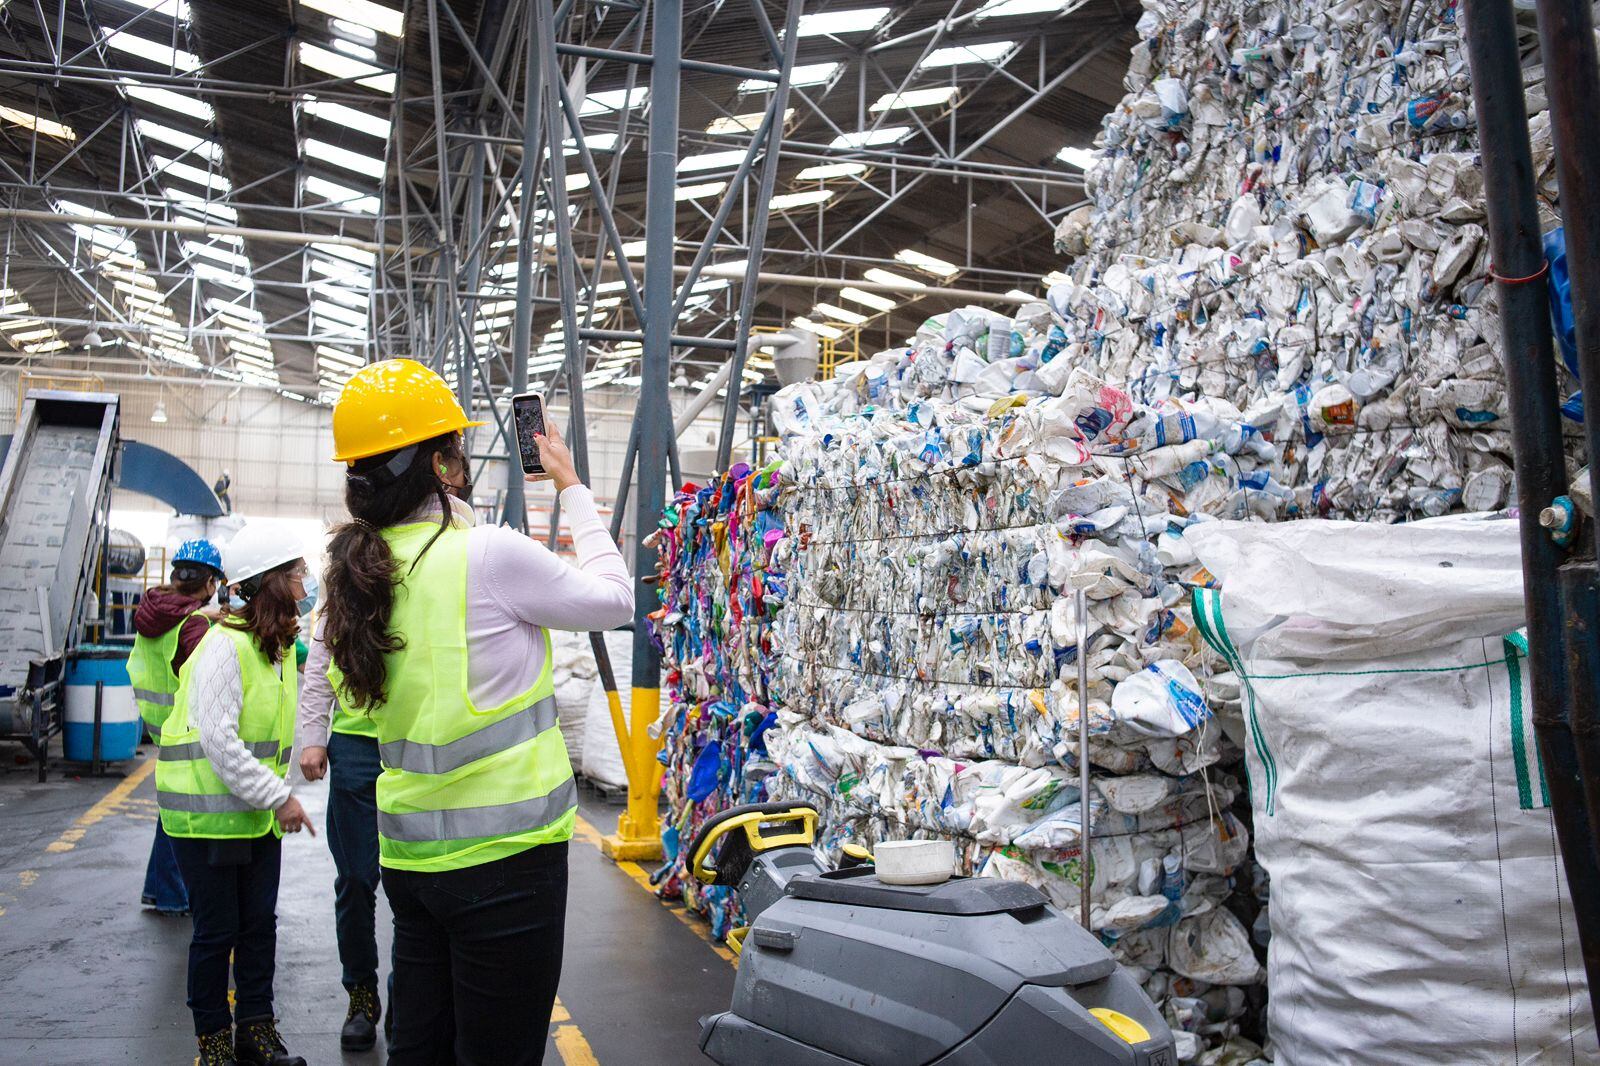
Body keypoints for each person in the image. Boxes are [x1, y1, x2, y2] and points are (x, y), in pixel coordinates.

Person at [318, 358, 632, 1066]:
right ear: (441, 465)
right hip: (507, 864)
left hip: (410, 861)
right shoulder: (485, 556)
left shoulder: (353, 574)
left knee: (421, 1048)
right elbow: (614, 598)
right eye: (454, 447)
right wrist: (571, 485)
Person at [156, 522, 317, 1066]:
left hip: (250, 816)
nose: (305, 584)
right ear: (269, 582)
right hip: (205, 817)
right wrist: (281, 797)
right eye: (296, 575)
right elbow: (220, 743)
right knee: (216, 932)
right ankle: (214, 1041)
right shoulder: (225, 646)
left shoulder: (274, 648)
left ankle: (256, 1030)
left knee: (257, 929)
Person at [130, 538, 225, 916]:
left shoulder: (155, 607)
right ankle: (172, 895)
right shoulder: (193, 625)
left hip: (157, 722)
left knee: (169, 805)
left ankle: (159, 889)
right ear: (210, 584)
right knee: (181, 810)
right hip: (183, 727)